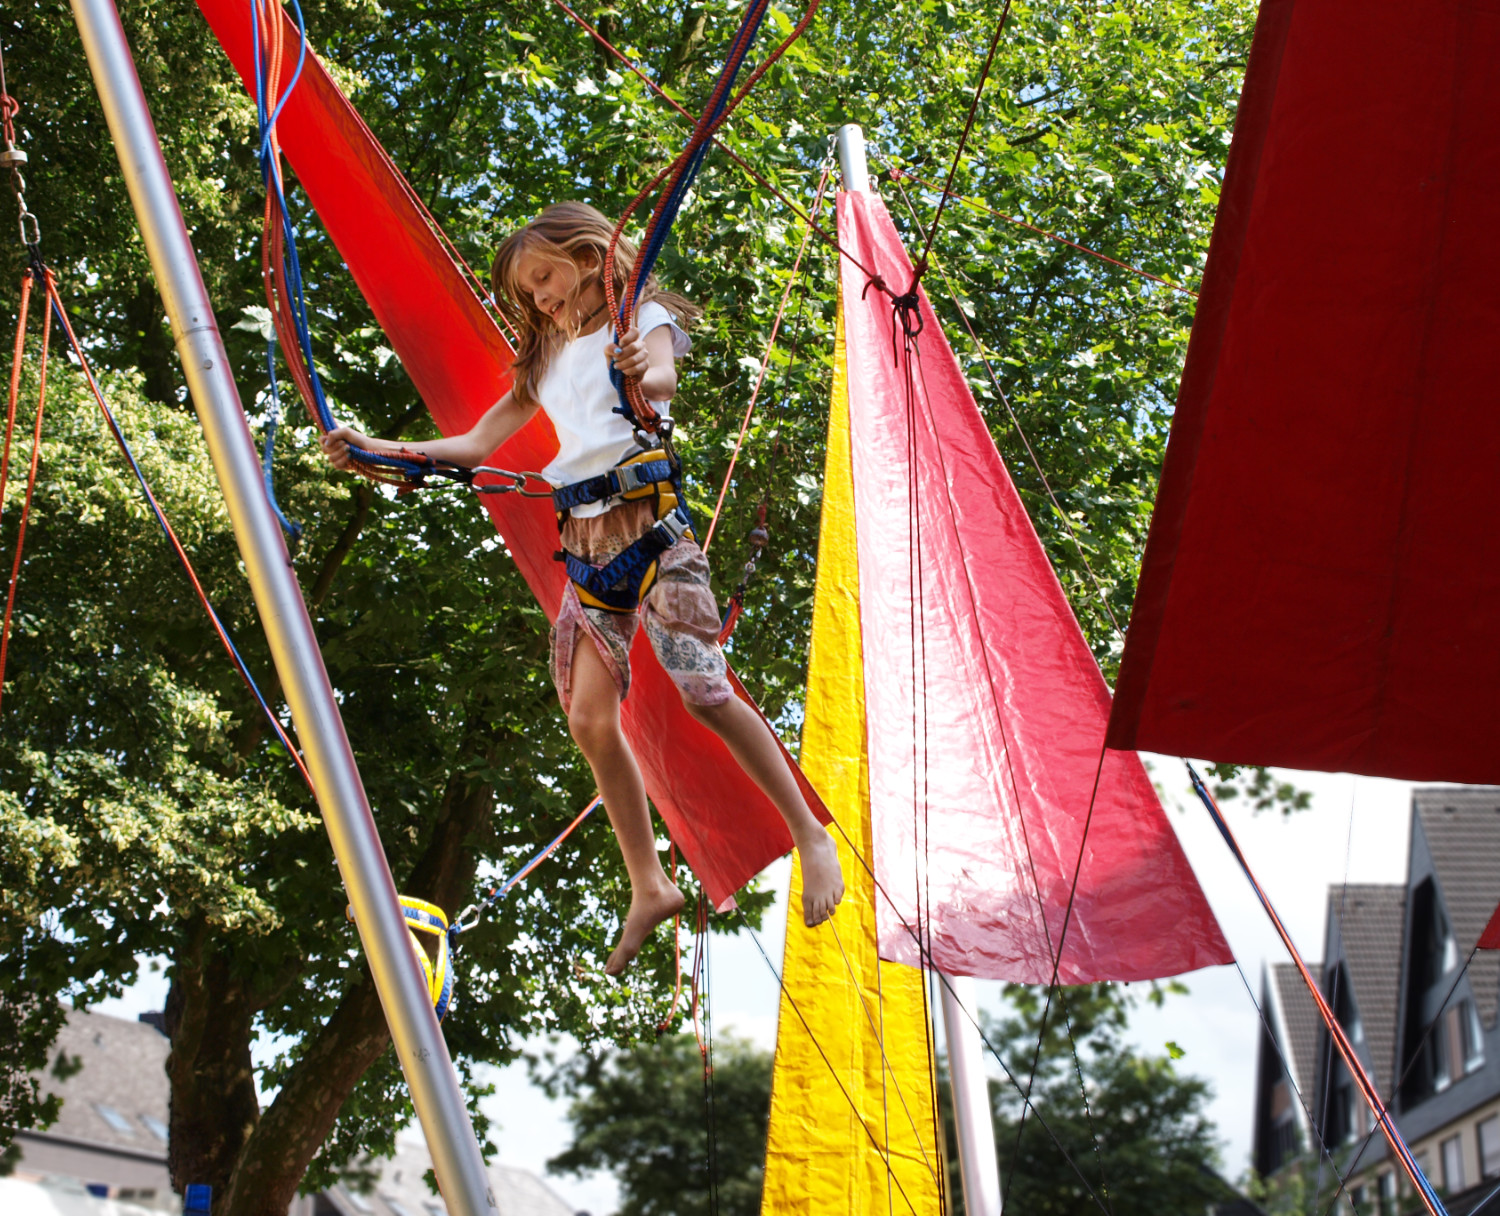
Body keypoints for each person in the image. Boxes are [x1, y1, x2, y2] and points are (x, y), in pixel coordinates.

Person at [321, 202, 844, 975]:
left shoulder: (642, 321)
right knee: (590, 718)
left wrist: (645, 370)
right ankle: (649, 884)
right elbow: (473, 444)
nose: (540, 300)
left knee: (703, 688)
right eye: (528, 296)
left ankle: (807, 829)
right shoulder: (545, 361)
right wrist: (384, 451)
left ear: (589, 254)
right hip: (588, 544)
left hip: (654, 525)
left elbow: (662, 375)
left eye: (544, 279)